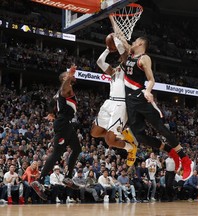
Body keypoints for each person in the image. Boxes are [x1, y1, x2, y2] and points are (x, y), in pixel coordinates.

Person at [122, 36, 193, 181]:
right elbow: (119, 37)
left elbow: (151, 79)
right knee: (140, 136)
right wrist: (111, 17)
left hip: (141, 97)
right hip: (130, 101)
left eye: (135, 41)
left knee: (161, 129)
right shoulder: (130, 53)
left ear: (141, 43)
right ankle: (169, 151)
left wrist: (148, 91)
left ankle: (186, 160)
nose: (132, 43)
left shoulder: (144, 58)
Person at [31, 65, 82, 200]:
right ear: (65, 79)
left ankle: (68, 177)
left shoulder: (62, 91)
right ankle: (40, 181)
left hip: (68, 124)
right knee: (57, 153)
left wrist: (50, 113)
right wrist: (69, 75)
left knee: (77, 149)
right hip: (63, 123)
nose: (72, 75)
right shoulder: (66, 88)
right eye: (68, 75)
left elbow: (51, 102)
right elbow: (62, 89)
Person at [90, 27, 137, 167]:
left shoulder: (128, 68)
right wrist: (107, 49)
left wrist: (116, 40)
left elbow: (124, 55)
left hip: (121, 105)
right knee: (94, 132)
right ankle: (122, 134)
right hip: (109, 102)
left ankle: (131, 148)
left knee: (110, 141)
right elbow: (99, 61)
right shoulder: (113, 71)